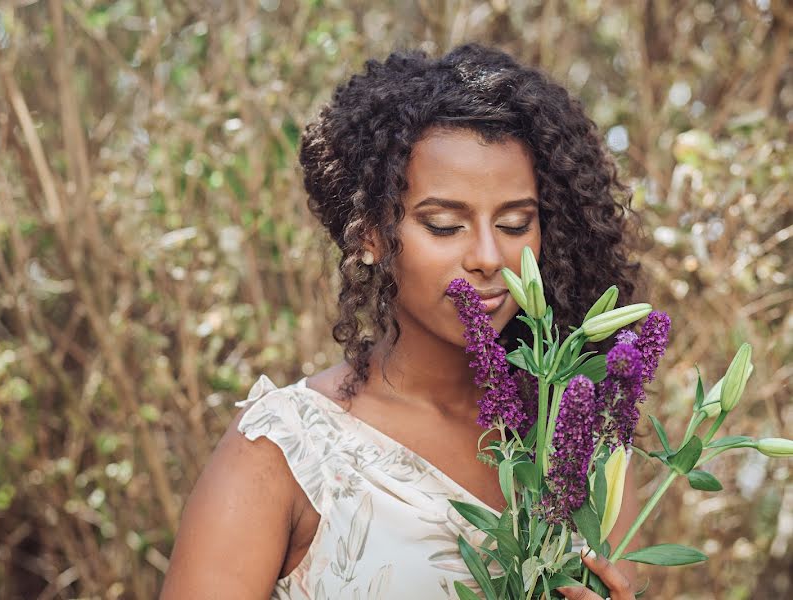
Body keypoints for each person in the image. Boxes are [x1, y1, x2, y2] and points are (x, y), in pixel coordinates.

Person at [161, 43, 645, 599]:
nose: (489, 257)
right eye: (443, 225)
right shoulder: (287, 451)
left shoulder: (584, 442)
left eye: (515, 224)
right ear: (369, 234)